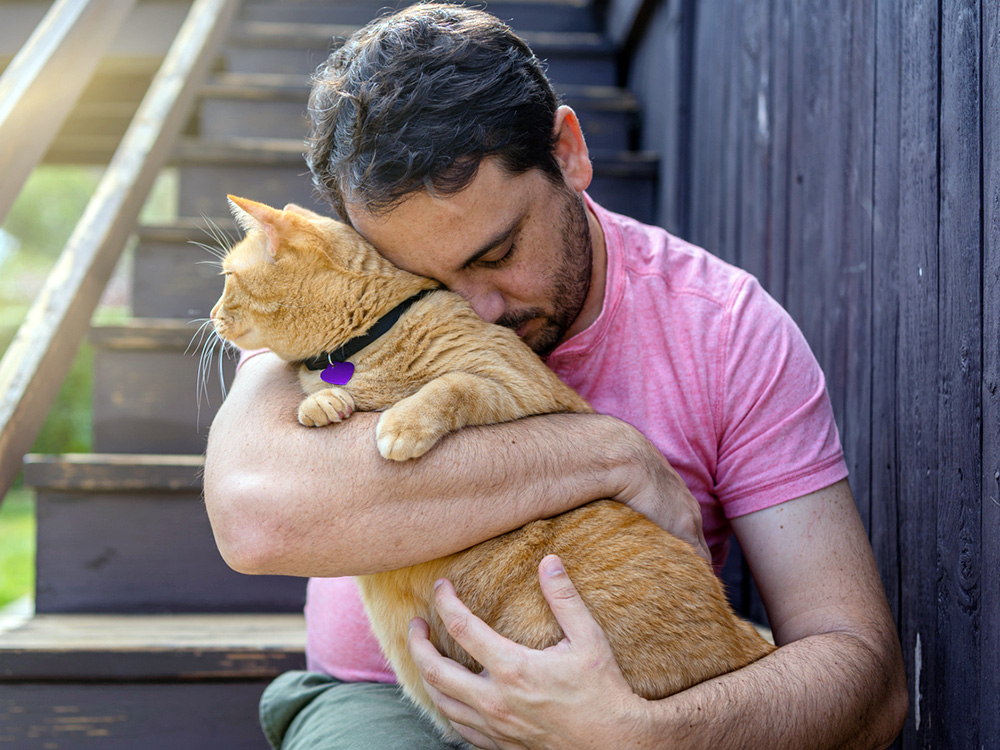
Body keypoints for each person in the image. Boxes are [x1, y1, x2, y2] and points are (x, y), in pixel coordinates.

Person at [203, 4, 908, 748]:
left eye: (497, 254)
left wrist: (643, 735)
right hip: (380, 700)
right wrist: (610, 456)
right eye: (425, 281)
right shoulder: (338, 294)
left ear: (568, 151)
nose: (474, 309)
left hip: (639, 704)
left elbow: (866, 680)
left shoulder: (727, 329)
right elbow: (254, 521)